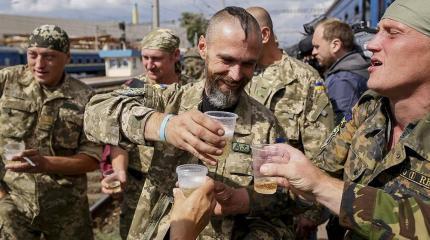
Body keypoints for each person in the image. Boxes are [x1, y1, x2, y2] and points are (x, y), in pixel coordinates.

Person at [85, 6, 289, 239]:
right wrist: (164, 126)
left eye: (247, 64)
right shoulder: (169, 99)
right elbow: (94, 111)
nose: (235, 74)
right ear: (203, 48)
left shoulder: (266, 125)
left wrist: (245, 199)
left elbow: (279, 198)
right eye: (226, 60)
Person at [259, 0, 430, 238]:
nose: (371, 44)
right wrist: (244, 198)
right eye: (378, 31)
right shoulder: (370, 107)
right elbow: (320, 169)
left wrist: (322, 187)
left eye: (392, 33)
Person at [0, 25, 102, 239]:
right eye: (33, 55)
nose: (39, 64)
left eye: (49, 57)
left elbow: (91, 159)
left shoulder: (86, 97)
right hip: (13, 203)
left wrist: (45, 164)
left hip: (66, 208)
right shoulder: (7, 81)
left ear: (67, 58)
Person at [245, 6, 334, 239]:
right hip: (240, 206)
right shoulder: (239, 73)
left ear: (264, 35)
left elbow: (322, 151)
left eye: (245, 34)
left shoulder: (303, 79)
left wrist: (312, 214)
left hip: (288, 213)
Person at [100, 28, 188, 240]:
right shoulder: (133, 90)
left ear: (175, 55)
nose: (149, 65)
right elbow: (119, 141)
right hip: (139, 190)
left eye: (156, 58)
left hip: (179, 191)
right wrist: (120, 171)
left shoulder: (191, 90)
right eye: (145, 58)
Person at [312, 18, 370, 124]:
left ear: (335, 45)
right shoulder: (356, 66)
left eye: (317, 47)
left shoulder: (341, 80)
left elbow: (341, 127)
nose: (313, 52)